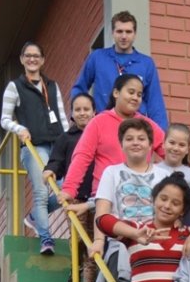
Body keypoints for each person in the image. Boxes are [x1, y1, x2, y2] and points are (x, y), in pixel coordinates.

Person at [91, 117, 172, 282]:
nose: (135, 143)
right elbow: (102, 212)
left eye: (141, 138)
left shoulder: (163, 174)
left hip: (157, 250)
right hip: (122, 249)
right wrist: (98, 242)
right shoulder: (112, 172)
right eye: (129, 139)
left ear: (150, 144)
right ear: (121, 144)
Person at [0, 41, 69, 255]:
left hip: (56, 146)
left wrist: (69, 142)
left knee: (68, 189)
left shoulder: (52, 85)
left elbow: (62, 116)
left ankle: (33, 218)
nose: (32, 59)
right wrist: (20, 128)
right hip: (34, 146)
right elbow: (4, 119)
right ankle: (46, 239)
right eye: (28, 56)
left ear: (42, 60)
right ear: (22, 60)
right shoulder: (15, 87)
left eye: (36, 56)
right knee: (41, 192)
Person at [62, 73, 164, 204]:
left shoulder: (147, 124)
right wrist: (69, 189)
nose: (135, 97)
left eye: (139, 95)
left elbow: (169, 150)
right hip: (106, 197)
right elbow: (82, 157)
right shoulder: (98, 122)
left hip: (141, 198)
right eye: (131, 92)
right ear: (116, 93)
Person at [69, 10, 168, 127]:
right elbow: (79, 88)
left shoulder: (146, 63)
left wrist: (161, 133)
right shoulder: (97, 57)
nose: (124, 36)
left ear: (135, 34)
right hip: (103, 124)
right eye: (119, 31)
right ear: (112, 33)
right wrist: (81, 116)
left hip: (134, 127)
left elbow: (155, 103)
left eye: (128, 32)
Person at [44, 92, 97, 282]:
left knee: (93, 241)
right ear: (72, 114)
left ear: (94, 112)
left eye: (86, 109)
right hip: (74, 198)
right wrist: (50, 170)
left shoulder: (99, 135)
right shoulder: (66, 138)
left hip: (96, 197)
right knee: (79, 238)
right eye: (78, 110)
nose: (82, 113)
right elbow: (56, 161)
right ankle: (76, 267)